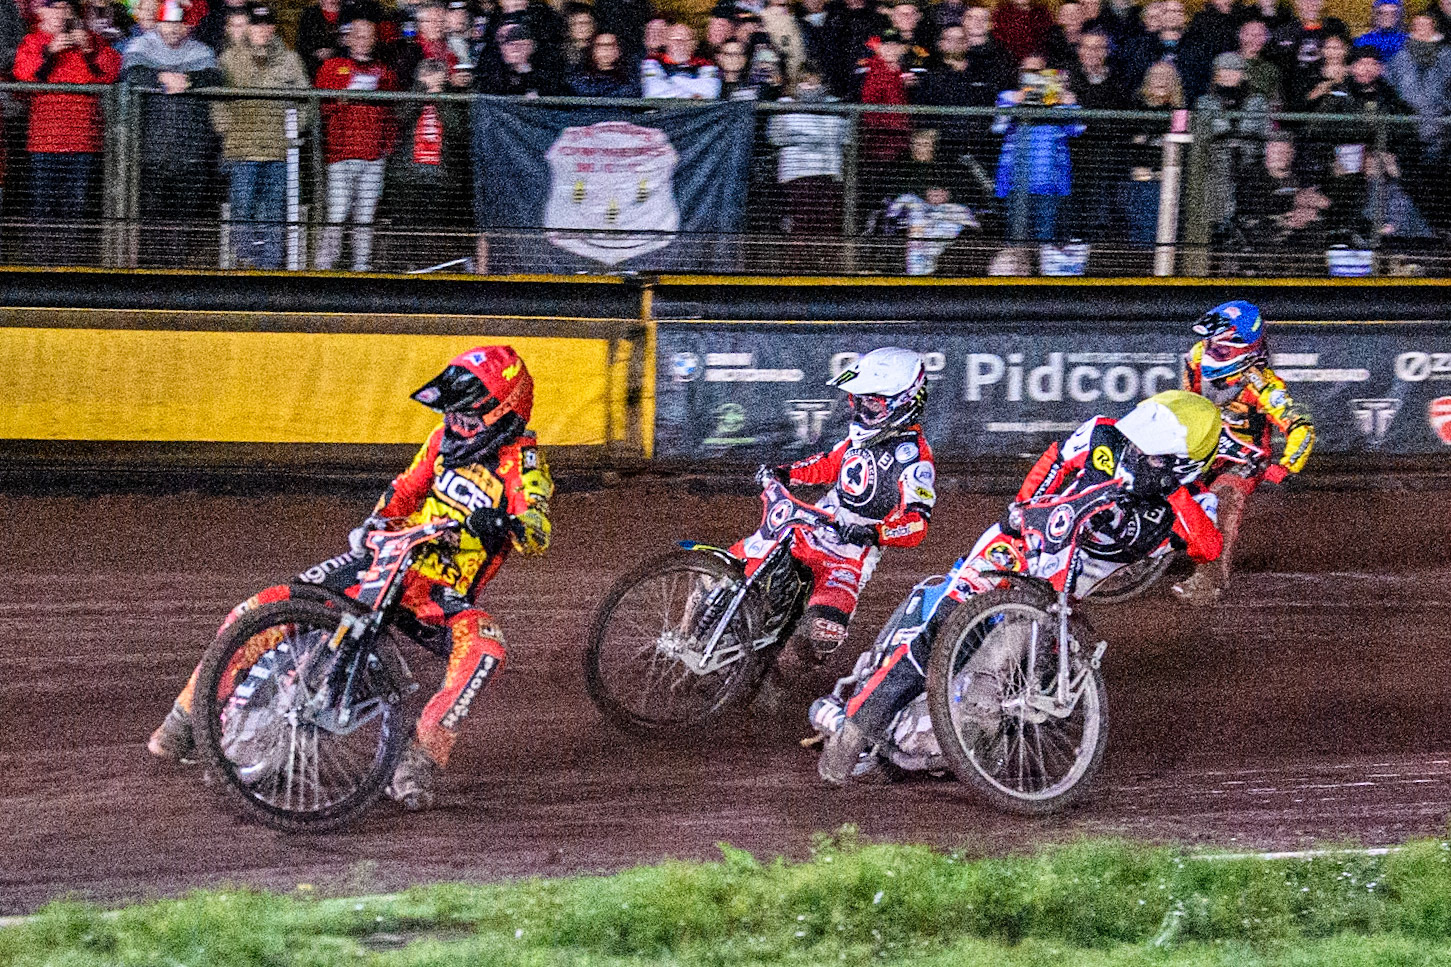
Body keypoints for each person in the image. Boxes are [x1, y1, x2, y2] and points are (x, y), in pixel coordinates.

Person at [148, 345, 554, 812]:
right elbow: (404, 489)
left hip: (438, 595)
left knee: (486, 650)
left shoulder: (521, 465)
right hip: (388, 563)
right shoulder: (442, 440)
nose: (455, 425)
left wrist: (504, 524)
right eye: (453, 415)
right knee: (264, 608)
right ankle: (184, 720)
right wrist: (376, 525)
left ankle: (418, 761)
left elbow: (538, 532)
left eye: (467, 418)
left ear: (503, 415)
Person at [816, 390, 1224, 783]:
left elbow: (1209, 545)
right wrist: (1025, 504)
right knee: (938, 614)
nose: (1134, 453)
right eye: (1135, 443)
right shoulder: (1105, 434)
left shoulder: (1192, 503)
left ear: (1181, 466)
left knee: (991, 675)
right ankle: (861, 706)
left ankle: (964, 740)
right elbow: (1055, 460)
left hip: (1057, 591)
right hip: (1016, 545)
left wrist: (1170, 492)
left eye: (1149, 453)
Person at [753, 347, 936, 660]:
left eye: (873, 404)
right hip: (813, 527)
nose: (864, 412)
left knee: (821, 635)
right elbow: (828, 464)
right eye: (861, 402)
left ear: (904, 402)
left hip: (849, 558)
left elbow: (917, 523)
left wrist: (876, 533)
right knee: (747, 564)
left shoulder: (915, 458)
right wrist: (786, 473)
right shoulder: (859, 439)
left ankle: (783, 687)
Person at [1173, 302, 1313, 604]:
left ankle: (1210, 581)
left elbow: (1301, 427)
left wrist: (1286, 466)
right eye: (1211, 343)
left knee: (1224, 499)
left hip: (1244, 457)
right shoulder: (1196, 357)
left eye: (1220, 348)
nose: (1211, 350)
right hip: (1202, 443)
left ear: (1243, 348)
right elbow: (1184, 403)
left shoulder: (1263, 384)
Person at [14, 0, 122, 264]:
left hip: (83, 141)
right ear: (40, 12)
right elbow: (23, 75)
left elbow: (110, 72)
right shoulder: (33, 42)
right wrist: (49, 52)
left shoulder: (90, 41)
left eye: (63, 8)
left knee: (77, 208)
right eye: (53, 8)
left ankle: (72, 263)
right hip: (44, 142)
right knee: (43, 208)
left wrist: (88, 50)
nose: (59, 14)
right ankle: (42, 263)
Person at [120, 0, 223, 268]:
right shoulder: (143, 44)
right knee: (150, 217)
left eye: (178, 24)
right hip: (150, 151)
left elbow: (215, 77)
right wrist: (161, 78)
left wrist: (188, 80)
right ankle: (148, 272)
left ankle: (174, 271)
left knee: (183, 218)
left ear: (187, 26)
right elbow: (131, 72)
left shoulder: (200, 50)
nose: (173, 30)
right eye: (168, 23)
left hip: (190, 151)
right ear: (159, 23)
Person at [212, 3, 309, 270]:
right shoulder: (229, 59)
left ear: (273, 27)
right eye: (257, 24)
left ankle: (269, 265)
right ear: (249, 26)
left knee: (274, 210)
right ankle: (246, 260)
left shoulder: (290, 60)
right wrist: (226, 129)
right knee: (242, 207)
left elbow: (306, 101)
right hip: (242, 149)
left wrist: (293, 130)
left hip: (278, 150)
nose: (262, 30)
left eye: (267, 24)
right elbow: (217, 101)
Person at [314, 14, 396, 272]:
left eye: (368, 36)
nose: (362, 41)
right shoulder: (332, 67)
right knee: (337, 215)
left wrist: (387, 147)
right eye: (357, 35)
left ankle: (362, 268)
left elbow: (393, 113)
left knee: (365, 218)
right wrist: (344, 96)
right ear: (348, 38)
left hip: (374, 157)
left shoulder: (385, 71)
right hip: (341, 155)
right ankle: (323, 268)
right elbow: (322, 108)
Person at [640, 21, 720, 97]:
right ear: (666, 41)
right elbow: (654, 92)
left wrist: (671, 82)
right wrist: (691, 95)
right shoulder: (652, 61)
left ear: (694, 43)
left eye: (686, 39)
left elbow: (710, 92)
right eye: (675, 39)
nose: (680, 44)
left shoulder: (706, 64)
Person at [567, 30, 638, 95]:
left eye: (610, 45)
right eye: (600, 45)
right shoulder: (579, 76)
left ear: (618, 50)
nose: (606, 49)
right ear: (592, 50)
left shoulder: (631, 77)